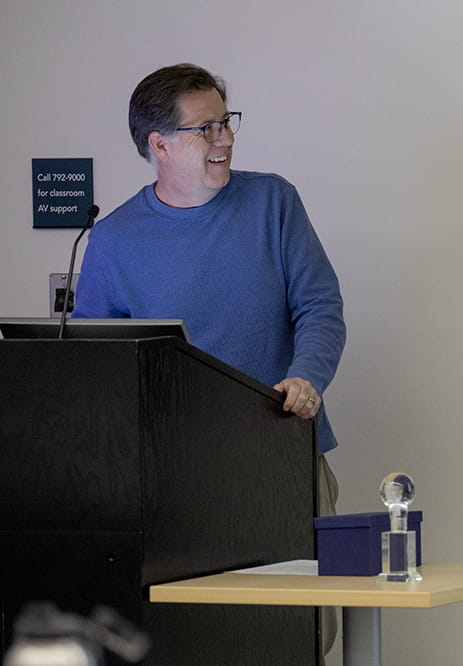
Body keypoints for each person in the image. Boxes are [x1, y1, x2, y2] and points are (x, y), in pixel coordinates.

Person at [73, 63, 345, 657]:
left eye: (226, 123)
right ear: (160, 144)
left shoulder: (274, 201)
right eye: (206, 129)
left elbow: (321, 308)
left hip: (285, 457)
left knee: (302, 636)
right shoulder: (113, 240)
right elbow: (98, 371)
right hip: (178, 481)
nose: (224, 139)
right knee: (203, 639)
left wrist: (308, 377)